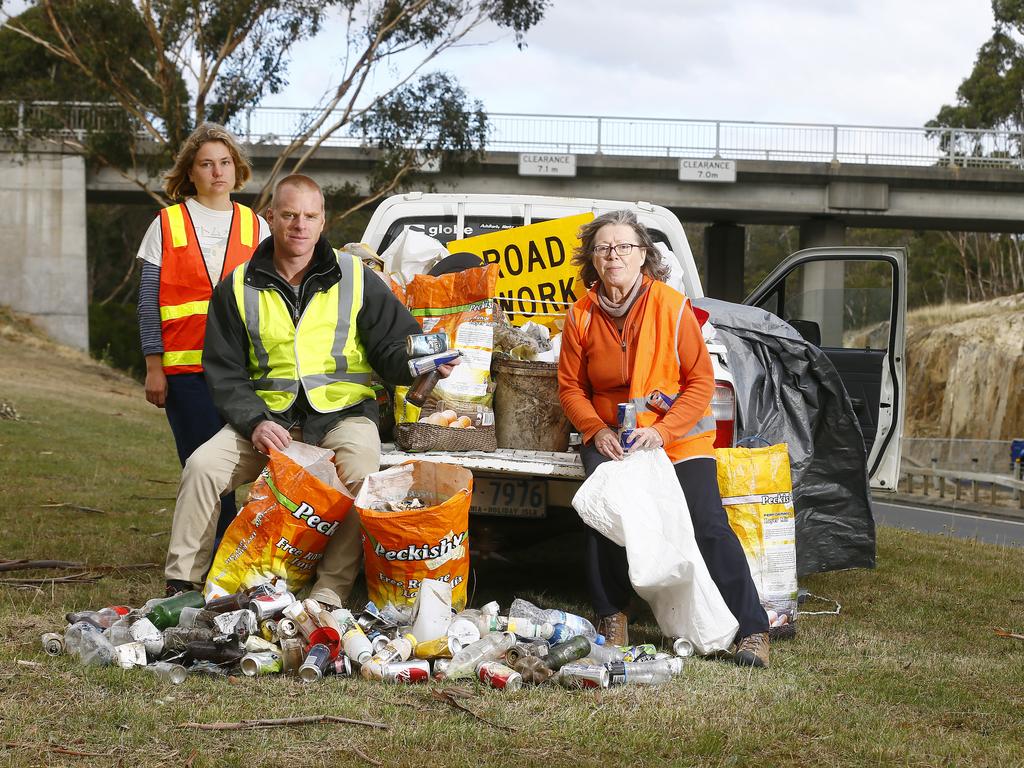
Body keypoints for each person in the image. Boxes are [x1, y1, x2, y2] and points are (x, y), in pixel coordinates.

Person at [163, 173, 456, 600]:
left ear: (323, 222)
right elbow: (223, 373)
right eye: (289, 215)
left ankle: (329, 593)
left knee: (364, 476)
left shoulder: (356, 277)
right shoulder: (237, 286)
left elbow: (393, 347)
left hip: (343, 414)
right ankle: (182, 584)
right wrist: (255, 422)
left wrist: (420, 365)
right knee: (202, 468)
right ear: (271, 218)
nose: (299, 225)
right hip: (267, 418)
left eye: (309, 216)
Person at [557, 210, 771, 668]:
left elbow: (700, 382)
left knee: (707, 524)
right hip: (613, 438)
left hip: (676, 437)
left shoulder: (672, 307)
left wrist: (662, 430)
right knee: (601, 514)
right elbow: (571, 388)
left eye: (624, 247)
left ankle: (753, 630)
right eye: (603, 248)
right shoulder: (579, 316)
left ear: (644, 257)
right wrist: (595, 431)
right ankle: (612, 615)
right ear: (591, 259)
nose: (613, 255)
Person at [136, 123, 270, 541]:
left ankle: (236, 555)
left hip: (245, 373)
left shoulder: (257, 227)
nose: (217, 172)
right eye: (206, 164)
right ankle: (217, 562)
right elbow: (147, 302)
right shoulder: (166, 224)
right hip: (185, 373)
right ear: (189, 172)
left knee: (249, 469)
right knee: (204, 467)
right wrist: (153, 366)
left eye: (225, 162)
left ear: (237, 169)